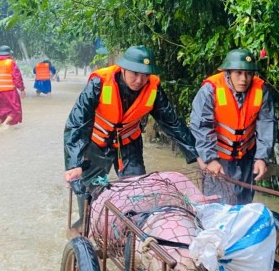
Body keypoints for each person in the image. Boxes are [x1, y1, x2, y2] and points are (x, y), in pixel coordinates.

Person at [63, 45, 198, 227]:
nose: (140, 80)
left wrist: (196, 153)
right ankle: (86, 228)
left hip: (129, 143)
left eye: (145, 75)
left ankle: (129, 231)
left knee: (137, 189)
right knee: (88, 190)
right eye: (135, 73)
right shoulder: (99, 84)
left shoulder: (153, 89)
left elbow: (171, 122)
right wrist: (75, 164)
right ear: (123, 68)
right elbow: (78, 122)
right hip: (97, 144)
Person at [190, 48, 276, 204]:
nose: (244, 79)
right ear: (227, 72)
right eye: (238, 73)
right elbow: (201, 126)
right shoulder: (211, 90)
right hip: (219, 159)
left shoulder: (261, 90)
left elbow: (267, 124)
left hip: (246, 157)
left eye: (249, 73)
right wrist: (209, 159)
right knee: (218, 204)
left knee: (244, 202)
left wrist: (262, 158)